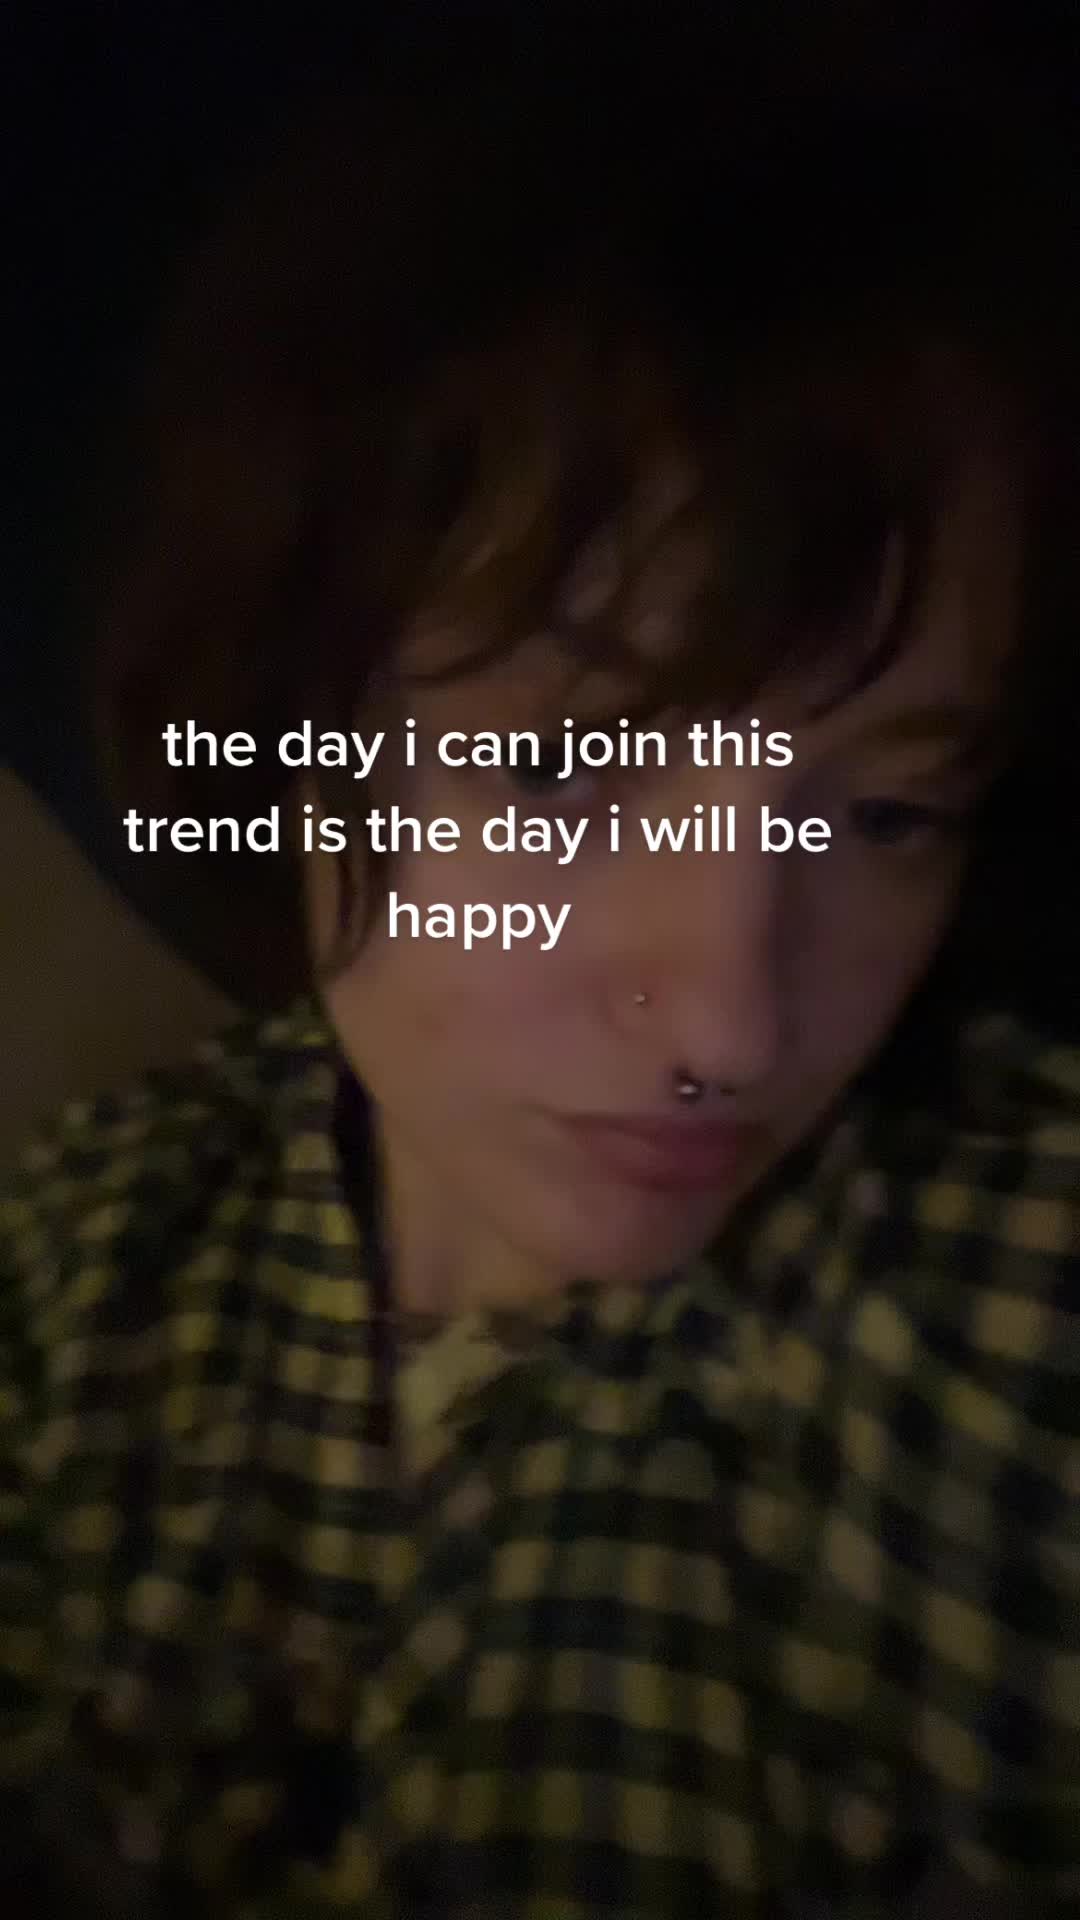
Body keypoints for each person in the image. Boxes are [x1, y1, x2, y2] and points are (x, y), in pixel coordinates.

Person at [2, 18, 1078, 1917]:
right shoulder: (75, 1266)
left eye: (888, 812)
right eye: (562, 773)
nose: (734, 1023)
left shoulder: (1008, 1292)